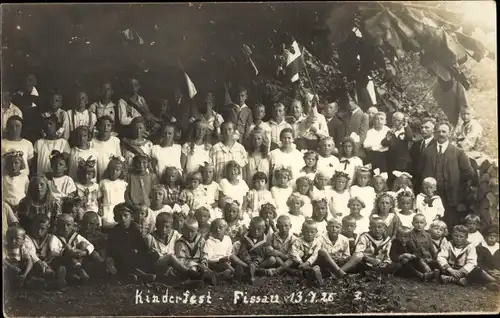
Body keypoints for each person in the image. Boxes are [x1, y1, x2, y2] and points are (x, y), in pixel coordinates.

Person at [418, 121, 475, 230]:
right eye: (438, 131)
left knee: (449, 227)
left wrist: (457, 187)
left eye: (444, 131)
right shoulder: (426, 152)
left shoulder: (458, 152)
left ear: (450, 133)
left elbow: (468, 174)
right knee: (431, 226)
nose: (441, 134)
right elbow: (419, 172)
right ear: (435, 133)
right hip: (431, 198)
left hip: (451, 198)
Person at [107, 203, 154, 282]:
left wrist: (138, 250)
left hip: (135, 258)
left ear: (131, 217)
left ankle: (135, 274)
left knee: (151, 255)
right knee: (124, 256)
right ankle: (138, 275)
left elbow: (142, 246)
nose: (123, 219)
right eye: (120, 216)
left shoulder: (135, 229)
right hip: (121, 259)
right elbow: (113, 250)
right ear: (115, 219)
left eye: (126, 216)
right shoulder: (114, 231)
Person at [49, 214, 95, 284]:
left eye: (68, 225)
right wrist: (67, 252)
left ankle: (74, 275)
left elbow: (90, 246)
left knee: (83, 244)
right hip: (60, 260)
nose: (65, 228)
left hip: (76, 259)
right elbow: (53, 250)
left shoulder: (75, 235)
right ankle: (78, 272)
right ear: (57, 226)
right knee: (68, 249)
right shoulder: (54, 237)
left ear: (73, 226)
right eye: (62, 225)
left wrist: (84, 252)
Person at [172, 218, 216, 285]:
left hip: (200, 264)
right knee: (192, 270)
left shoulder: (201, 240)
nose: (189, 234)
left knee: (205, 269)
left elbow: (204, 253)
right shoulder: (180, 243)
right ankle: (195, 281)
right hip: (187, 266)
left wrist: (203, 262)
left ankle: (212, 276)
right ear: (182, 230)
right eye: (187, 231)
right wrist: (194, 264)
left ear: (197, 230)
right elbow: (180, 259)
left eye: (192, 231)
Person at [236, 217, 278, 282]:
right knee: (240, 263)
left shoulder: (265, 239)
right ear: (249, 227)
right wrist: (249, 262)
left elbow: (263, 252)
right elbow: (243, 252)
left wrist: (256, 261)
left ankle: (253, 270)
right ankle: (260, 272)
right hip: (247, 260)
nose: (256, 232)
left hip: (258, 261)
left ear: (264, 229)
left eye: (259, 229)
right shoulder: (245, 238)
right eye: (253, 229)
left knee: (272, 259)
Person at [329, 96, 369, 161]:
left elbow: (363, 135)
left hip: (356, 150)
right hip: (344, 149)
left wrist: (353, 149)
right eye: (348, 101)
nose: (350, 103)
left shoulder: (363, 116)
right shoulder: (345, 115)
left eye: (352, 101)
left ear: (357, 101)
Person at [287, 220, 324, 286]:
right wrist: (301, 262)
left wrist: (307, 263)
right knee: (297, 255)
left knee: (317, 262)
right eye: (307, 232)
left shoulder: (318, 242)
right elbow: (293, 252)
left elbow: (315, 255)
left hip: (311, 263)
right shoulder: (298, 241)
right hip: (300, 264)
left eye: (312, 232)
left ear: (316, 232)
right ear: (302, 231)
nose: (309, 234)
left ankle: (316, 278)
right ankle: (306, 274)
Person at [382, 112, 413, 187]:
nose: (396, 122)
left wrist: (406, 125)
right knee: (391, 182)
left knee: (402, 182)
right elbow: (384, 143)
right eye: (394, 120)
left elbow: (410, 138)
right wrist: (389, 135)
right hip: (391, 162)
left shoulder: (406, 131)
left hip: (403, 162)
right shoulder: (390, 131)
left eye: (398, 120)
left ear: (402, 121)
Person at [90, 116, 122, 182]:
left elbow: (118, 158)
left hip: (110, 177)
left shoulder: (115, 140)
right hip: (96, 174)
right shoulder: (92, 142)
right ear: (98, 127)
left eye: (108, 125)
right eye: (102, 125)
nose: (106, 128)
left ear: (111, 127)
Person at [99, 156, 128, 229]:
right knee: (108, 226)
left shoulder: (123, 183)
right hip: (107, 208)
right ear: (108, 170)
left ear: (121, 171)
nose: (114, 172)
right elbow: (99, 198)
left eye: (117, 170)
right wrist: (100, 208)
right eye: (112, 169)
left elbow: (126, 197)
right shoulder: (103, 182)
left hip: (120, 209)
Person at [409, 118, 436, 193]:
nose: (423, 130)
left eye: (427, 127)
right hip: (417, 181)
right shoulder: (417, 144)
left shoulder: (437, 144)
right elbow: (411, 161)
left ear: (433, 130)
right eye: (422, 127)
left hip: (432, 181)